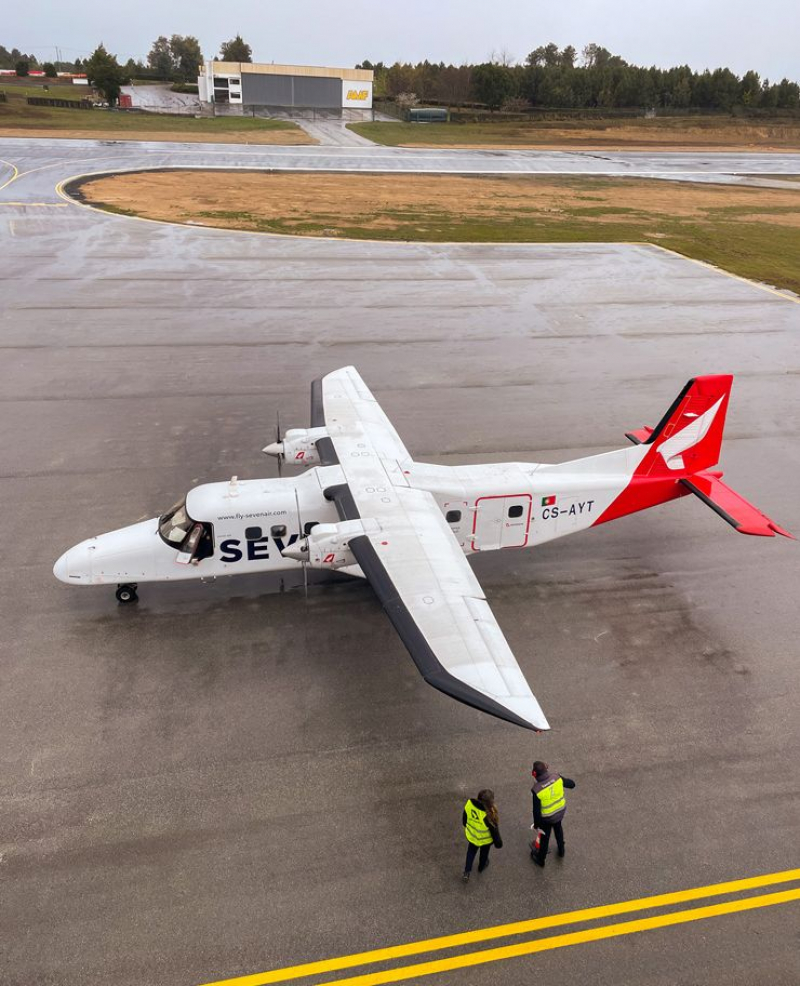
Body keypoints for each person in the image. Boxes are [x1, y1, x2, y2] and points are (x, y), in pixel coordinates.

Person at [530, 761, 576, 868]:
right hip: (560, 812)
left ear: (534, 774)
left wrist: (537, 825)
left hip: (547, 818)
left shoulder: (536, 789)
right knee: (558, 829)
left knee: (545, 839)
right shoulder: (557, 777)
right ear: (546, 769)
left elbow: (536, 811)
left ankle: (541, 860)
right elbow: (572, 784)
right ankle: (561, 851)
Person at [462, 789, 503, 882]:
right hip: (485, 840)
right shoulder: (490, 814)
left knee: (470, 853)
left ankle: (466, 872)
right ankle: (481, 866)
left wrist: (467, 825)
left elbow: (464, 819)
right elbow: (495, 833)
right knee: (484, 854)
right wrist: (498, 844)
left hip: (472, 836)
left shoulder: (469, 804)